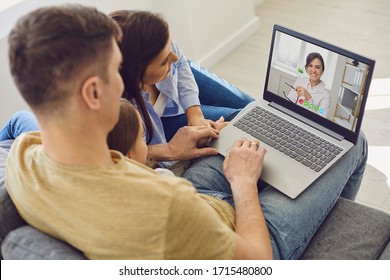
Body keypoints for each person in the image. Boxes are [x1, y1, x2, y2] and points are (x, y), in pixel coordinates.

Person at [4, 4, 367, 260]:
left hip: (196, 199)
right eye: (117, 71)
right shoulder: (164, 204)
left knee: (249, 129)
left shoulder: (25, 155)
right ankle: (332, 222)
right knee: (353, 143)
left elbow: (23, 125)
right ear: (94, 92)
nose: (126, 87)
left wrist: (165, 152)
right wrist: (242, 183)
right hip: (236, 231)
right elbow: (257, 261)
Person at [109, 10, 254, 150]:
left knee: (251, 105)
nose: (175, 57)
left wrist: (195, 114)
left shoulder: (140, 30)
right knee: (238, 120)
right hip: (164, 121)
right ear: (136, 71)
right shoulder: (125, 111)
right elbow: (141, 154)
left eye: (171, 48)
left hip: (178, 78)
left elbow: (180, 63)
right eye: (164, 61)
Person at [287, 52, 331, 118]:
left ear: (322, 71)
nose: (313, 70)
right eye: (310, 66)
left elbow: (320, 119)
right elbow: (289, 100)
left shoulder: (326, 97)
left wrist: (308, 97)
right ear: (307, 68)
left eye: (317, 67)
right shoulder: (300, 81)